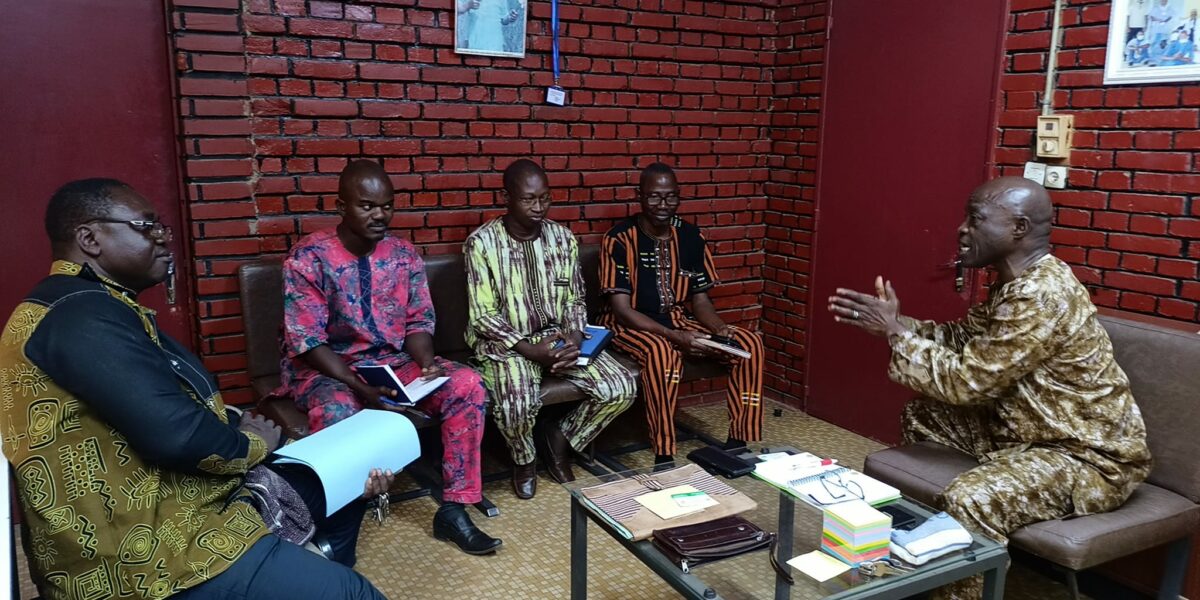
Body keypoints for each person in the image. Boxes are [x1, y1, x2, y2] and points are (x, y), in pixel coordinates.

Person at [0, 179, 389, 599]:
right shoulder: (78, 317)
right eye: (146, 226)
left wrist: (242, 427)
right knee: (352, 592)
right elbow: (179, 436)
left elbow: (155, 406)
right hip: (147, 553)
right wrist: (254, 442)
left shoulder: (89, 304)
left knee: (339, 478)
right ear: (90, 238)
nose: (165, 238)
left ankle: (315, 557)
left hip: (170, 500)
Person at [828, 177, 1152, 600]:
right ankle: (932, 550)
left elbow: (969, 382)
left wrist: (895, 336)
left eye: (976, 219)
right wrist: (897, 322)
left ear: (1018, 228)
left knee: (972, 498)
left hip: (1085, 456)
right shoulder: (1013, 284)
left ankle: (960, 586)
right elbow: (961, 341)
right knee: (925, 415)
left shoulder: (1041, 294)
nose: (962, 229)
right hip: (1029, 434)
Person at [277, 160, 501, 556]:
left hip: (390, 364)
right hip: (326, 369)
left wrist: (427, 363)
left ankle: (455, 507)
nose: (380, 214)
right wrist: (362, 387)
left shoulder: (404, 255)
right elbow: (308, 341)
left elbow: (418, 321)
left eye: (387, 205)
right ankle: (334, 527)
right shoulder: (309, 257)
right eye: (367, 205)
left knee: (467, 384)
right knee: (338, 413)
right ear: (340, 205)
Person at [464, 160, 635, 499]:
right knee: (516, 403)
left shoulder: (562, 238)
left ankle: (559, 437)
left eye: (545, 198)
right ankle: (524, 459)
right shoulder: (481, 243)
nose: (539, 207)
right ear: (507, 197)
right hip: (509, 344)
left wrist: (572, 338)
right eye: (529, 199)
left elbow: (574, 298)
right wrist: (530, 350)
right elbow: (482, 315)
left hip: (560, 337)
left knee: (621, 387)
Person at [598, 163, 766, 468]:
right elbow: (622, 310)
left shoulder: (690, 236)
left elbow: (700, 300)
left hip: (678, 319)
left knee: (748, 345)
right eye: (654, 197)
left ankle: (738, 441)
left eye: (670, 197)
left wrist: (718, 328)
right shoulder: (620, 238)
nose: (662, 206)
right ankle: (664, 453)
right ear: (640, 196)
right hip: (630, 324)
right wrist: (677, 338)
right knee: (663, 354)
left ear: (678, 197)